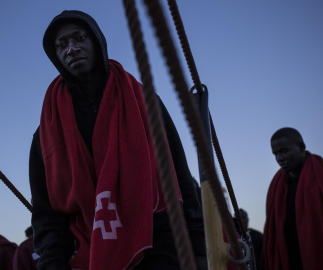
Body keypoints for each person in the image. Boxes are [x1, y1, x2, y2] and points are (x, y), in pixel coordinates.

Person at [29, 10, 205, 270]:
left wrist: (199, 249)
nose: (72, 49)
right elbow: (46, 210)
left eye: (80, 38)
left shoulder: (143, 102)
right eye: (62, 45)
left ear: (97, 41)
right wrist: (53, 261)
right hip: (85, 250)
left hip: (157, 241)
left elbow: (179, 174)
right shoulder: (46, 131)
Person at [263, 127, 323, 270]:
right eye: (275, 154)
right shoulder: (276, 190)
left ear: (302, 147)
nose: (279, 158)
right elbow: (271, 241)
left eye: (284, 151)